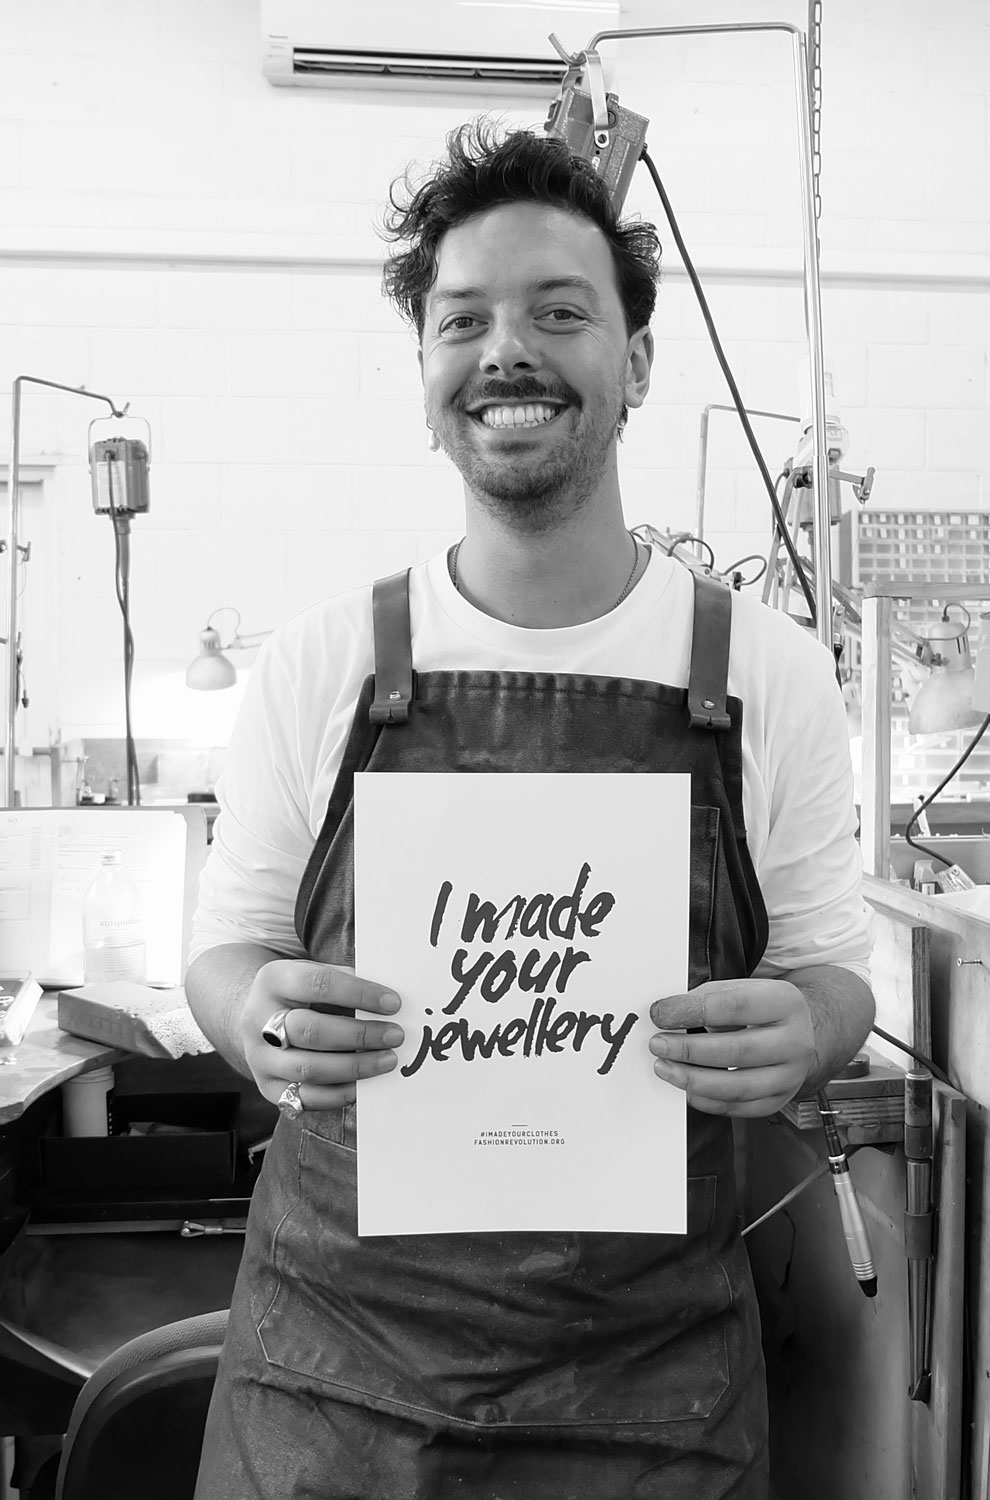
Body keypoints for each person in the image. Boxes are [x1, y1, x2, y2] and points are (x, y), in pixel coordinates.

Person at [186, 118, 874, 1500]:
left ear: (637, 363)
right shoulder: (321, 663)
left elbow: (832, 973)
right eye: (464, 320)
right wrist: (258, 1017)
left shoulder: (770, 673)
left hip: (651, 1397)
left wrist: (805, 1031)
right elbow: (223, 955)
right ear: (426, 374)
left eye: (560, 312)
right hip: (336, 1387)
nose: (507, 351)